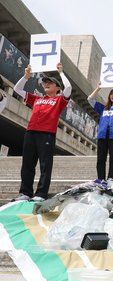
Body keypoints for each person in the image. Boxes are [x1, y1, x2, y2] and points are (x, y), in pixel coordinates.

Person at [12, 63, 72, 201]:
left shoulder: (59, 100)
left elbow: (68, 88)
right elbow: (17, 89)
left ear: (58, 87)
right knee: (27, 164)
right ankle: (25, 192)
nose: (46, 84)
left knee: (45, 165)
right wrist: (26, 76)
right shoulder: (37, 99)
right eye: (45, 82)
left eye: (50, 82)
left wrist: (61, 72)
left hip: (46, 134)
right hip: (30, 133)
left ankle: (40, 194)